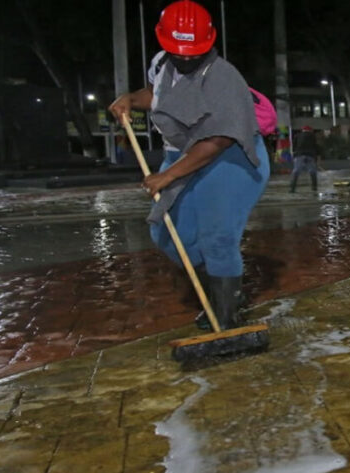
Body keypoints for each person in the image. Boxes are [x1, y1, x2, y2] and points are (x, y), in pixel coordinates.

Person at [108, 0, 270, 330]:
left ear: (209, 41)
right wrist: (131, 100)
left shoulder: (224, 78)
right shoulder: (161, 63)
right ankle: (219, 290)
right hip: (183, 156)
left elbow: (218, 140)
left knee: (217, 237)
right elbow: (157, 94)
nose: (184, 59)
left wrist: (168, 175)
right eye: (177, 52)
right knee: (169, 235)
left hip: (230, 159)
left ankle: (225, 318)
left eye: (192, 53)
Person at [290, 125, 319, 192]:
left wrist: (295, 155)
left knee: (296, 171)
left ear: (302, 130)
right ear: (310, 130)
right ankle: (314, 188)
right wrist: (316, 158)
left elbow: (294, 146)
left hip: (299, 155)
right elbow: (315, 147)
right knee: (312, 171)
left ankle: (292, 189)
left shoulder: (297, 135)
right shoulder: (313, 136)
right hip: (310, 155)